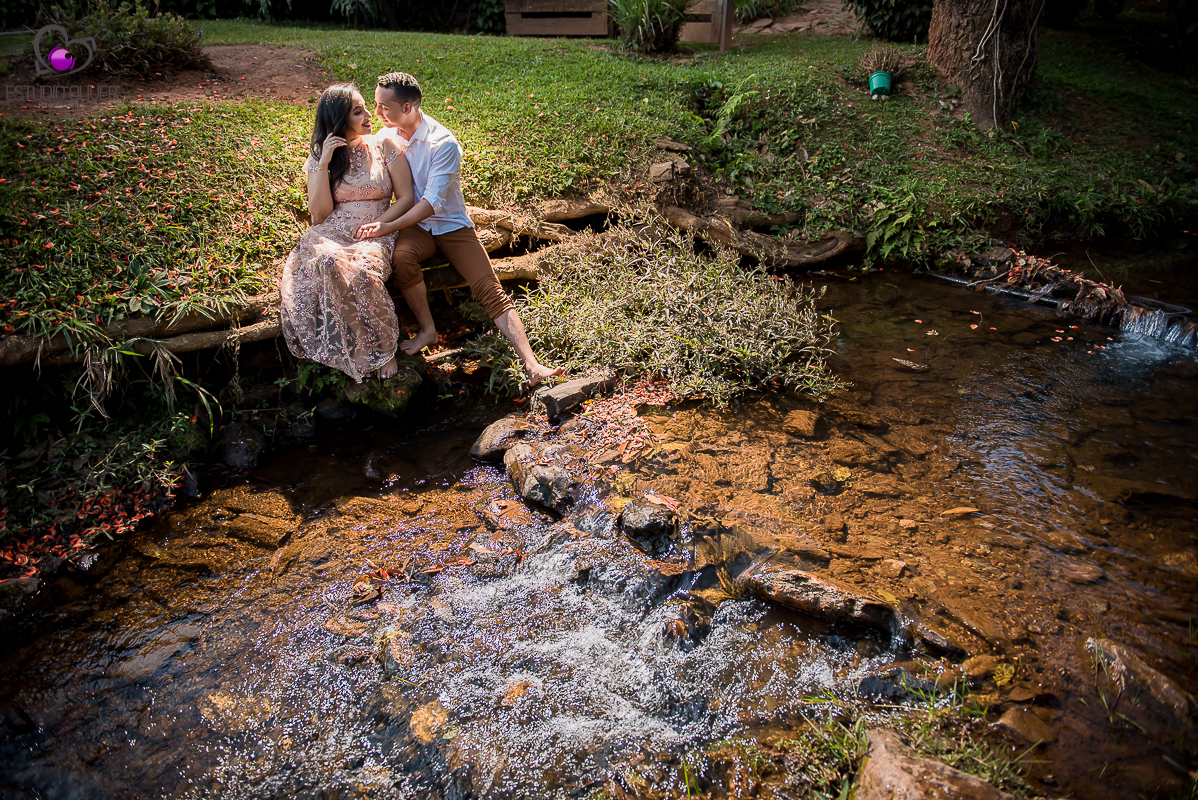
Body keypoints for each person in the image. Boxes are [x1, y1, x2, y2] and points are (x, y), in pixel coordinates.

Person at [353, 71, 564, 389]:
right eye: (376, 104)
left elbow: (431, 204)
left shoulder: (443, 143)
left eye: (384, 106)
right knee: (402, 259)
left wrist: (388, 225)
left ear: (408, 108)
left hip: (450, 224)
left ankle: (533, 366)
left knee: (488, 287)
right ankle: (428, 330)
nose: (377, 112)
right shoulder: (388, 136)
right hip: (417, 227)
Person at [279, 83, 415, 382]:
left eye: (365, 108)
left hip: (376, 228)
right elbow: (320, 215)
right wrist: (323, 164)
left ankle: (384, 347)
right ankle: (363, 345)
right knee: (329, 261)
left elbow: (406, 198)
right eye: (357, 112)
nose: (369, 115)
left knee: (362, 272)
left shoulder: (384, 145)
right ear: (339, 120)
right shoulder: (322, 157)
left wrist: (382, 225)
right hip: (334, 231)